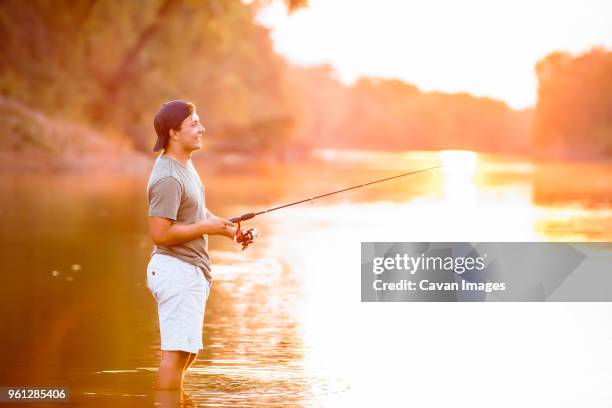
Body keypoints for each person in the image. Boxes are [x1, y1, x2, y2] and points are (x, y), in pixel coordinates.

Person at [146, 100, 236, 390]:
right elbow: (159, 234)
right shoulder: (168, 177)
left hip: (189, 271)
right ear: (174, 133)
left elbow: (198, 214)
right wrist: (205, 227)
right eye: (194, 123)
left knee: (186, 354)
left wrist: (229, 230)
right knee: (174, 356)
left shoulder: (185, 166)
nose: (202, 128)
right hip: (176, 272)